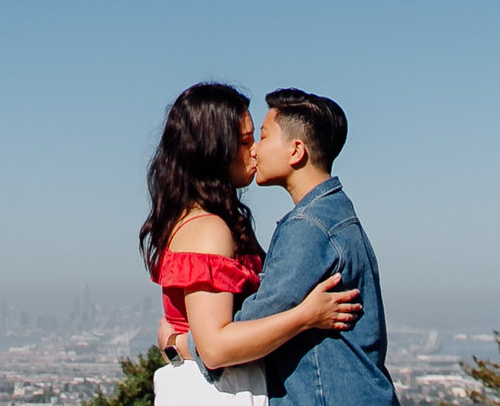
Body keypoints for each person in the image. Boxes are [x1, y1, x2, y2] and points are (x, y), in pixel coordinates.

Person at [144, 83, 361, 406]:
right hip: (214, 392)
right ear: (214, 149)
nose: (255, 150)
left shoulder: (211, 221)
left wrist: (176, 343)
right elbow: (216, 347)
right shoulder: (208, 230)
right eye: (245, 141)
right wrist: (306, 316)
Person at [232, 89, 398, 406]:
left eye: (263, 137)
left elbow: (255, 321)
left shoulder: (308, 227)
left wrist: (187, 343)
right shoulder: (335, 215)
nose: (254, 150)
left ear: (296, 151)